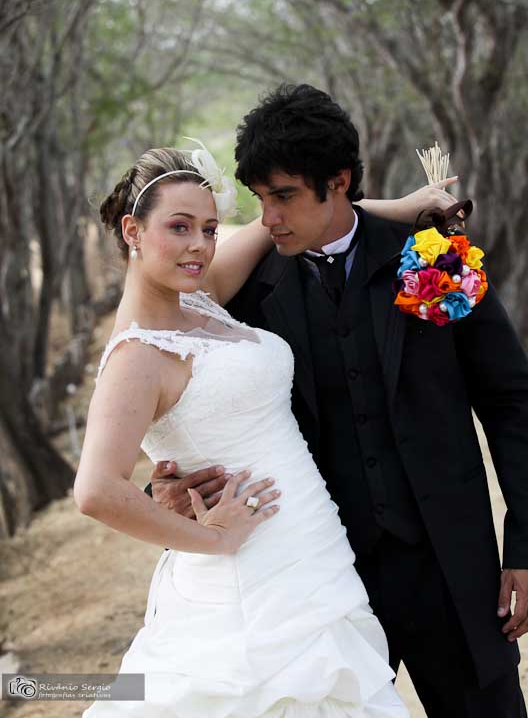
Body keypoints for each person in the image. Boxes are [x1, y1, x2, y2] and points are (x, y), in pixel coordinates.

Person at [150, 85, 528, 717]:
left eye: (284, 196)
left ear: (339, 182)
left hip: (451, 568)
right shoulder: (248, 295)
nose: (268, 218)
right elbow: (204, 407)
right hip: (325, 583)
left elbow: (512, 402)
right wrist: (166, 486)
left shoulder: (438, 257)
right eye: (259, 198)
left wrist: (525, 546)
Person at [74, 141, 454, 717]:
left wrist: (403, 206)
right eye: (179, 227)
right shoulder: (137, 355)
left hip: (313, 552)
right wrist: (213, 539)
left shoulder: (201, 300)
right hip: (250, 575)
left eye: (208, 229)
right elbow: (96, 491)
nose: (199, 245)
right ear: (133, 231)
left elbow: (299, 217)